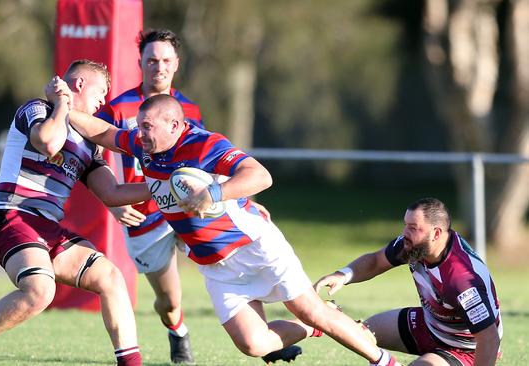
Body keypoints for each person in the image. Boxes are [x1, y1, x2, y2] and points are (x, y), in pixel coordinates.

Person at [49, 84, 401, 366]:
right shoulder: (145, 146)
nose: (139, 134)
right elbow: (106, 134)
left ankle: (383, 361)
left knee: (310, 308)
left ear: (175, 125)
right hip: (215, 267)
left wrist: (214, 192)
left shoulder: (204, 143)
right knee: (253, 344)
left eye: (147, 127)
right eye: (139, 127)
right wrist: (64, 107)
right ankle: (312, 329)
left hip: (254, 247)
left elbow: (260, 176)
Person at [0, 60, 149, 366]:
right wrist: (61, 104)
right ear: (79, 85)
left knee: (111, 277)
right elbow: (48, 142)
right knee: (40, 290)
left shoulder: (89, 145)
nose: (103, 101)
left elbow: (113, 193)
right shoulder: (37, 109)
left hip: (46, 227)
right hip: (13, 215)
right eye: (101, 92)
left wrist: (163, 189)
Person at [93, 28, 203, 364]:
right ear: (140, 61)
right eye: (152, 59)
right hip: (144, 217)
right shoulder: (118, 108)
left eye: (166, 60)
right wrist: (112, 202)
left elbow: (205, 160)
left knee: (233, 262)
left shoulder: (191, 110)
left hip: (185, 210)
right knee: (169, 302)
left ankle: (269, 335)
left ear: (176, 64)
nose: (159, 66)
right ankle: (177, 329)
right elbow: (91, 156)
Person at [314, 198, 502, 366]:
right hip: (430, 324)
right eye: (405, 225)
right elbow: (376, 261)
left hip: (465, 350)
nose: (405, 232)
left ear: (436, 233)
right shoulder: (415, 245)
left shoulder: (462, 279)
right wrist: (343, 275)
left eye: (413, 227)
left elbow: (489, 337)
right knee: (360, 334)